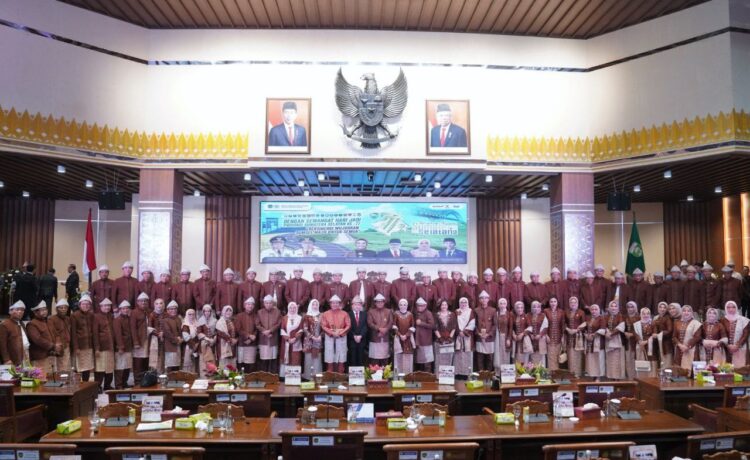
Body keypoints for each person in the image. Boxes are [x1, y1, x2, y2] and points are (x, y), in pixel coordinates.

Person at [27, 301, 59, 376]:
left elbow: (56, 335)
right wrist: (53, 346)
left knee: (52, 377)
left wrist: (58, 344)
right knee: (41, 378)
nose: (44, 312)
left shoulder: (49, 322)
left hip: (51, 355)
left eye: (45, 309)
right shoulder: (32, 324)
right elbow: (38, 340)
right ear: (35, 312)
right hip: (40, 356)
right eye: (42, 310)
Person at [321, 295, 351, 373]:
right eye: (333, 303)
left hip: (341, 337)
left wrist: (340, 333)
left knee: (341, 354)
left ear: (339, 304)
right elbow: (323, 325)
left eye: (336, 303)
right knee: (329, 353)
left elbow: (348, 325)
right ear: (330, 304)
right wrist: (332, 333)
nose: (335, 304)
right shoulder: (325, 314)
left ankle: (340, 373)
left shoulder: (344, 313)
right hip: (330, 336)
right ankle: (330, 372)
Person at [92, 298, 115, 391]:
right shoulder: (96, 317)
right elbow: (95, 333)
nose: (107, 307)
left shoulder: (111, 316)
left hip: (110, 347)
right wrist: (97, 348)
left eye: (108, 305)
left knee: (109, 368)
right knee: (100, 368)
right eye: (105, 306)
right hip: (101, 347)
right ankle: (97, 387)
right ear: (100, 307)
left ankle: (107, 385)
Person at [71, 295, 94, 381]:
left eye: (88, 304)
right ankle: (77, 386)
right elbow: (73, 333)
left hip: (89, 346)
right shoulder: (74, 315)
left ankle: (86, 385)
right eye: (84, 304)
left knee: (87, 367)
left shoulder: (91, 315)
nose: (86, 306)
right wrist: (76, 347)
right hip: (79, 347)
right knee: (78, 367)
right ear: (80, 305)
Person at [256, 295, 282, 374]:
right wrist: (264, 331)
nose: (268, 304)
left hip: (273, 338)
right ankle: (264, 377)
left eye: (270, 303)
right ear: (264, 303)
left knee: (273, 359)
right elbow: (257, 324)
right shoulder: (259, 312)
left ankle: (273, 377)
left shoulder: (277, 312)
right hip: (263, 339)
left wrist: (270, 331)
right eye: (266, 303)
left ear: (273, 303)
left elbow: (279, 323)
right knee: (264, 359)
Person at [130, 292, 150, 385]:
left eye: (145, 301)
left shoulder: (148, 311)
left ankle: (145, 381)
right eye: (141, 301)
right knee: (138, 362)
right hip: (139, 341)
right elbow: (133, 328)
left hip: (147, 340)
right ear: (137, 302)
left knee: (145, 361)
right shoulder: (134, 312)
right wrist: (135, 342)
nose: (143, 303)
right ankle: (137, 382)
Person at [673, 305, 702, 371]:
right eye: (684, 311)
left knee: (690, 371)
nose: (686, 312)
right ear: (681, 312)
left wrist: (687, 346)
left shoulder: (696, 323)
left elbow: (697, 337)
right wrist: (680, 345)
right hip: (679, 349)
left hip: (691, 349)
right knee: (678, 369)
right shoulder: (677, 323)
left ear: (691, 313)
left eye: (688, 311)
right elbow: (674, 337)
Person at [367, 294, 392, 367]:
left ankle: (385, 376)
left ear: (384, 302)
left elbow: (390, 322)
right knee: (375, 360)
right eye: (378, 302)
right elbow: (370, 323)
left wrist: (385, 330)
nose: (380, 303)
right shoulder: (371, 311)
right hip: (375, 337)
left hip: (385, 338)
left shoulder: (388, 311)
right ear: (375, 303)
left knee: (385, 359)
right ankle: (374, 376)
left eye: (381, 302)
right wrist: (379, 329)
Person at [721, 301, 749, 367]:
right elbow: (721, 334)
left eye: (733, 307)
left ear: (736, 308)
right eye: (728, 307)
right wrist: (728, 346)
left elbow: (745, 334)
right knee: (727, 369)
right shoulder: (722, 320)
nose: (731, 309)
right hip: (726, 349)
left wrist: (737, 345)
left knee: (740, 369)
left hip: (740, 348)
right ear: (725, 309)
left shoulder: (744, 320)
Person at [474, 291, 496, 372]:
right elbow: (474, 324)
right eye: (482, 298)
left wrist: (489, 334)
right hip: (479, 337)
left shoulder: (493, 310)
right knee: (480, 357)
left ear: (488, 299)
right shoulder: (476, 310)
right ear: (479, 300)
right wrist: (478, 333)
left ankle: (489, 374)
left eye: (485, 298)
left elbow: (494, 324)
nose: (484, 300)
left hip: (489, 338)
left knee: (490, 357)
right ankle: (481, 374)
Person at [113, 301, 133, 388]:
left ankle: (124, 382)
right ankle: (118, 384)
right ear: (120, 310)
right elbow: (118, 334)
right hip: (121, 347)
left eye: (127, 308)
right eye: (124, 308)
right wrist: (120, 347)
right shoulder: (117, 320)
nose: (126, 310)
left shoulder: (129, 319)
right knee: (120, 367)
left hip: (129, 346)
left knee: (127, 366)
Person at [564, 296, 586, 377]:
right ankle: (571, 372)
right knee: (570, 355)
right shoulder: (566, 312)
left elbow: (584, 324)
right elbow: (564, 323)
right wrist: (567, 329)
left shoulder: (581, 312)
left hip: (578, 337)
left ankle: (577, 373)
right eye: (571, 302)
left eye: (575, 302)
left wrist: (576, 330)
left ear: (577, 303)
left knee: (578, 355)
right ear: (569, 304)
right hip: (569, 337)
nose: (573, 304)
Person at [235, 297, 258, 373]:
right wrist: (248, 336)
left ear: (254, 306)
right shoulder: (239, 316)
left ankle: (249, 381)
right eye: (248, 304)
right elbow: (238, 329)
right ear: (244, 305)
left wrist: (251, 338)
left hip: (252, 343)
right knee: (241, 363)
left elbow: (257, 328)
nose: (250, 306)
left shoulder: (256, 316)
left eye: (252, 304)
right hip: (242, 343)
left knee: (251, 364)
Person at [280, 302, 303, 376]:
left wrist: (295, 339)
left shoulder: (300, 318)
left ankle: (294, 378)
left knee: (295, 359)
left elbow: (301, 330)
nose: (292, 309)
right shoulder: (284, 318)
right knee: (286, 358)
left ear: (296, 308)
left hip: (296, 343)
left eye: (294, 308)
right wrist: (288, 339)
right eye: (291, 308)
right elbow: (282, 330)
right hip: (286, 343)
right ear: (288, 308)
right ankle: (285, 377)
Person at [392, 299, 415, 375]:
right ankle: (398, 375)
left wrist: (406, 335)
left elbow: (412, 326)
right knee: (398, 357)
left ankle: (408, 375)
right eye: (401, 304)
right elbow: (394, 326)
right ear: (398, 306)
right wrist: (400, 335)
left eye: (404, 304)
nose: (403, 306)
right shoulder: (396, 314)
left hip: (408, 339)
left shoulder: (410, 314)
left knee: (407, 357)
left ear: (407, 305)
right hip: (398, 339)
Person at [454, 297, 476, 378]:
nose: (463, 304)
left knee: (467, 354)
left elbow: (473, 323)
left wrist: (465, 331)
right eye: (462, 302)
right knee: (459, 355)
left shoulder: (471, 311)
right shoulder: (457, 311)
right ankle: (458, 373)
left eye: (465, 302)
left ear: (467, 303)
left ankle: (467, 373)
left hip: (467, 336)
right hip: (459, 336)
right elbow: (454, 323)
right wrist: (459, 331)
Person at [604, 301, 625, 380]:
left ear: (618, 308)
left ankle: (617, 377)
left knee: (617, 359)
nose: (613, 308)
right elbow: (604, 325)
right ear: (609, 308)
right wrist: (607, 332)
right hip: (608, 339)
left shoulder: (620, 316)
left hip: (617, 339)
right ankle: (611, 376)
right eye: (612, 306)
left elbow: (621, 326)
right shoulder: (606, 316)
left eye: (615, 306)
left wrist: (611, 333)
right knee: (610, 359)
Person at [634, 307, 658, 377]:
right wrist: (640, 341)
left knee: (652, 365)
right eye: (643, 313)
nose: (645, 315)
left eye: (647, 313)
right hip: (640, 347)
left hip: (651, 348)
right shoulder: (636, 324)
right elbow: (635, 334)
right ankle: (642, 380)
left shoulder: (653, 323)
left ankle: (652, 381)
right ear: (640, 314)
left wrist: (647, 341)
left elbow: (655, 334)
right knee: (641, 364)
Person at [414, 297, 436, 373]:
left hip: (426, 341)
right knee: (419, 361)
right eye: (418, 305)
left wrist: (421, 323)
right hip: (418, 340)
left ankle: (428, 377)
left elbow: (432, 326)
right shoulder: (415, 313)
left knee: (427, 361)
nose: (420, 307)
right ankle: (421, 377)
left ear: (425, 306)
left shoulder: (428, 313)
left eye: (422, 305)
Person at [303, 299, 323, 380]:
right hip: (309, 341)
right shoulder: (306, 316)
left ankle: (317, 377)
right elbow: (305, 329)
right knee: (308, 358)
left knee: (317, 358)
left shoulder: (321, 315)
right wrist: (312, 337)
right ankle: (308, 377)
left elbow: (324, 328)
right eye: (313, 304)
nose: (315, 306)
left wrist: (320, 336)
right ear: (311, 305)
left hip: (318, 340)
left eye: (316, 304)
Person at [434, 299, 457, 371]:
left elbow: (454, 327)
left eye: (445, 305)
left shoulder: (452, 314)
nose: (444, 306)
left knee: (449, 358)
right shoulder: (436, 315)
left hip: (449, 340)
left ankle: (448, 376)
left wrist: (450, 337)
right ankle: (439, 376)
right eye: (442, 305)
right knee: (439, 358)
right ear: (440, 306)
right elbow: (435, 328)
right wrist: (440, 338)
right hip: (439, 340)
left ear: (447, 306)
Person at [49, 299, 72, 371]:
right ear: (56, 309)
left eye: (65, 308)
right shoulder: (52, 319)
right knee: (56, 367)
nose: (63, 309)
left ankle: (65, 381)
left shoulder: (68, 319)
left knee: (66, 367)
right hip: (57, 346)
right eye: (61, 308)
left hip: (67, 346)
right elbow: (52, 332)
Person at [584, 304, 606, 380]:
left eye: (596, 309)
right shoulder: (589, 319)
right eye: (592, 309)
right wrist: (586, 335)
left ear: (599, 310)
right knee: (591, 360)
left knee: (599, 359)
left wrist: (593, 335)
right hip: (590, 342)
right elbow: (586, 328)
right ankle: (593, 375)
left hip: (598, 342)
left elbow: (603, 329)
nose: (594, 311)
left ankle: (598, 377)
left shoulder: (601, 318)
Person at [163, 301, 184, 372]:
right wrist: (177, 340)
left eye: (175, 309)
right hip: (170, 346)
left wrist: (181, 339)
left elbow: (181, 331)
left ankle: (176, 381)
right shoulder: (165, 320)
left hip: (178, 345)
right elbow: (168, 333)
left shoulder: (178, 319)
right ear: (167, 310)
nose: (173, 311)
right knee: (171, 365)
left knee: (177, 365)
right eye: (171, 309)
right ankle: (170, 382)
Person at [197, 304, 217, 377]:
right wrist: (206, 338)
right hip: (204, 343)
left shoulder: (214, 320)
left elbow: (216, 331)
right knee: (203, 361)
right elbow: (198, 332)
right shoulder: (200, 320)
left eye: (209, 311)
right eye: (205, 311)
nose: (207, 313)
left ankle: (212, 377)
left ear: (211, 312)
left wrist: (214, 339)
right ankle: (204, 378)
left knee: (212, 360)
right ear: (203, 312)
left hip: (212, 344)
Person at [545, 296, 564, 371]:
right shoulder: (546, 311)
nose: (553, 303)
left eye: (554, 301)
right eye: (551, 301)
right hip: (549, 337)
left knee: (558, 356)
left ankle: (556, 373)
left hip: (558, 337)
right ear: (549, 303)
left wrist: (563, 336)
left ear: (557, 302)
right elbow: (544, 325)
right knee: (550, 356)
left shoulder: (561, 311)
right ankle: (551, 373)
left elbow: (562, 324)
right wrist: (546, 334)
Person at [493, 297, 512, 375]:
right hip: (497, 337)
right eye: (501, 303)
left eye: (504, 303)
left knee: (505, 355)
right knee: (497, 354)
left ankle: (505, 373)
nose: (502, 305)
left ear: (506, 304)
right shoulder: (496, 313)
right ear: (498, 305)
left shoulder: (509, 314)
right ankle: (497, 373)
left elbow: (510, 327)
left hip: (505, 337)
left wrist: (509, 338)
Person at [347, 297, 368, 367]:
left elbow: (365, 326)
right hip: (351, 341)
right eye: (355, 304)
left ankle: (360, 377)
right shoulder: (348, 314)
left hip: (362, 340)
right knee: (352, 360)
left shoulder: (364, 314)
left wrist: (361, 336)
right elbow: (348, 327)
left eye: (359, 304)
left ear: (361, 306)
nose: (357, 306)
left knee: (361, 360)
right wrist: (354, 336)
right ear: (352, 305)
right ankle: (353, 377)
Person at [215, 305, 237, 369]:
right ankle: (223, 378)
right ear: (223, 312)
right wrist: (230, 340)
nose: (228, 312)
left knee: (232, 364)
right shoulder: (220, 322)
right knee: (224, 365)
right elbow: (220, 333)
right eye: (227, 310)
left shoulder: (233, 321)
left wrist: (236, 340)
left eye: (230, 311)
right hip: (223, 346)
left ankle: (232, 377)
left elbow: (237, 332)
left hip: (232, 346)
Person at [653, 301, 674, 367]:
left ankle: (667, 377)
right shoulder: (657, 318)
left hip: (666, 344)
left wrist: (659, 335)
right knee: (661, 362)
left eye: (664, 307)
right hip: (658, 343)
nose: (662, 309)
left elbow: (669, 330)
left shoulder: (668, 318)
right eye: (660, 307)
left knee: (667, 362)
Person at [148, 299, 166, 373]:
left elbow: (168, 326)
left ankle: (162, 373)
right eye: (157, 303)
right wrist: (158, 334)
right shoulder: (151, 315)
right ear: (154, 305)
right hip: (154, 339)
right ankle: (154, 374)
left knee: (163, 356)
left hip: (165, 338)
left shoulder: (166, 314)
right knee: (155, 357)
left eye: (161, 303)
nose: (159, 305)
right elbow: (149, 328)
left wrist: (163, 333)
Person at [528, 301, 548, 366]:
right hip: (531, 340)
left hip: (541, 340)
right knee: (531, 357)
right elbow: (526, 326)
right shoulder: (528, 315)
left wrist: (540, 335)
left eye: (538, 307)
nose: (536, 308)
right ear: (531, 308)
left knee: (541, 357)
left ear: (540, 308)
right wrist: (530, 334)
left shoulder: (543, 315)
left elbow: (545, 327)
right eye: (534, 307)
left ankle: (541, 372)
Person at [623, 301, 639, 379]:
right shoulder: (624, 317)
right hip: (626, 342)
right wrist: (625, 333)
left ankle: (636, 378)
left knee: (635, 359)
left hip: (636, 342)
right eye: (628, 307)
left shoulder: (639, 317)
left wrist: (632, 334)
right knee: (628, 360)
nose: (630, 309)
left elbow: (640, 330)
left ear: (635, 308)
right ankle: (630, 378)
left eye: (632, 307)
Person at [181, 309, 200, 373]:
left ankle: (196, 375)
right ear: (187, 315)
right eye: (189, 314)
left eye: (193, 314)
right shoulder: (185, 325)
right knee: (188, 361)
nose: (191, 316)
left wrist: (197, 344)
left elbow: (199, 334)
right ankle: (188, 377)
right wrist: (194, 345)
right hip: (188, 346)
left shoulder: (197, 324)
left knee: (196, 361)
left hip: (197, 345)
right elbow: (186, 337)